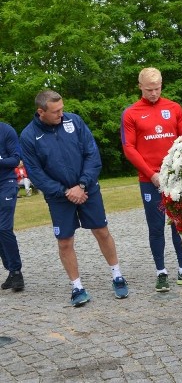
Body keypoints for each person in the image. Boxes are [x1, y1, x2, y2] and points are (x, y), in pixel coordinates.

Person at [20, 90, 128, 306]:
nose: (62, 114)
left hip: (87, 188)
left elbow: (92, 154)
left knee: (101, 231)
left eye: (62, 108)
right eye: (56, 111)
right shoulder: (29, 136)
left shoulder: (74, 121)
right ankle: (77, 287)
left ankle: (117, 275)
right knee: (65, 241)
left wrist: (81, 185)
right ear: (41, 112)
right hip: (59, 197)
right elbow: (35, 173)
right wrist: (65, 191)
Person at [121, 67, 182, 292]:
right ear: (140, 87)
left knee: (180, 224)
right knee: (156, 227)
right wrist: (151, 174)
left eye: (157, 89)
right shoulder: (131, 113)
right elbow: (129, 148)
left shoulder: (174, 108)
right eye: (149, 89)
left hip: (175, 176)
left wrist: (181, 170)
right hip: (150, 178)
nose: (154, 93)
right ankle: (161, 272)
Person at [0, 123, 24, 292]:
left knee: (4, 227)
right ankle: (10, 270)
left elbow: (16, 159)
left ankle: (16, 272)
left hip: (6, 183)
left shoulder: (6, 130)